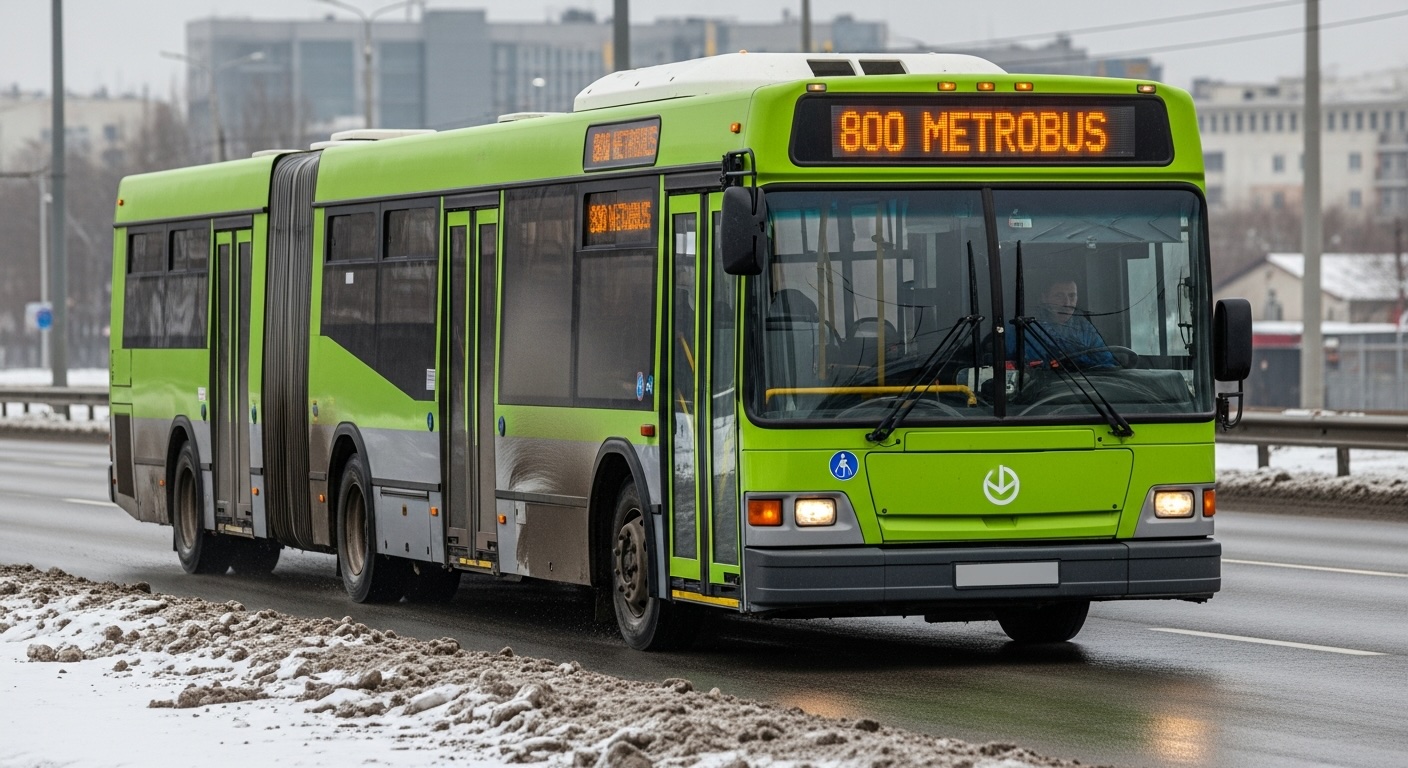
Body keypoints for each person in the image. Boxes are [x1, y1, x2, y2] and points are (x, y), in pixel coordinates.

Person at [1010, 275, 1116, 369]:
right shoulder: (1023, 328)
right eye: (1059, 296)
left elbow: (1107, 363)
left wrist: (1079, 363)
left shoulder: (1085, 328)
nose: (1067, 303)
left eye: (1072, 296)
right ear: (1044, 298)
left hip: (1085, 388)